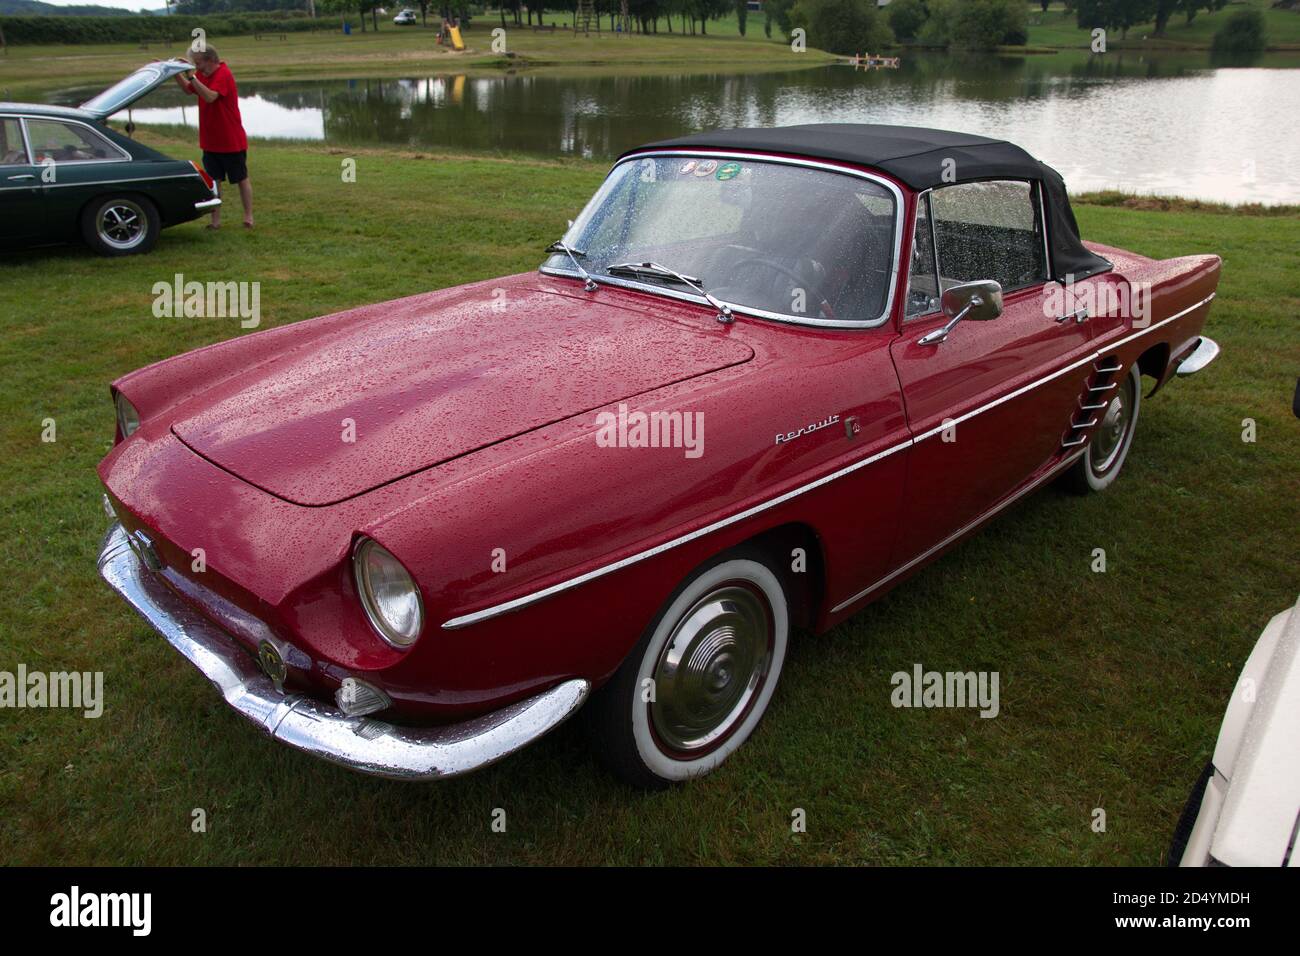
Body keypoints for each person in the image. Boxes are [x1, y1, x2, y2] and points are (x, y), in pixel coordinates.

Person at [175, 47, 253, 229]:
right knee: (214, 182)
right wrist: (175, 72)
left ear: (210, 59)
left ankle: (248, 217)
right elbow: (189, 90)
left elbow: (210, 97)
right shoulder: (202, 74)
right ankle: (215, 222)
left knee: (241, 178)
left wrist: (192, 77)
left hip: (231, 140)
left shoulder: (223, 74)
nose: (197, 67)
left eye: (198, 63)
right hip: (211, 140)